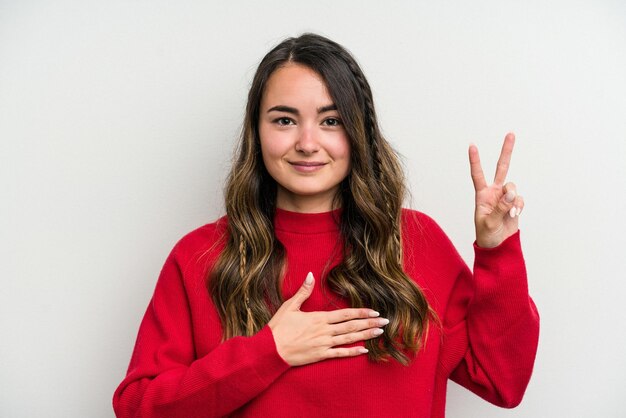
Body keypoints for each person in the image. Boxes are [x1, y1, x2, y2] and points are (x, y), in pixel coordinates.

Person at [113, 33, 539, 418]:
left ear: (359, 133)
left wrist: (498, 248)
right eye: (284, 120)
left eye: (331, 121)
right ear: (256, 132)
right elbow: (138, 409)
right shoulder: (199, 256)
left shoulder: (417, 243)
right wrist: (269, 351)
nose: (307, 142)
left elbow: (501, 381)